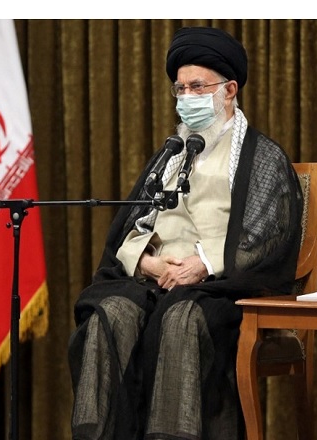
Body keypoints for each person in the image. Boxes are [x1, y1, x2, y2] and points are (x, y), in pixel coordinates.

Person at [68, 26, 303, 440]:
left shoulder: (261, 156)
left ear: (229, 90)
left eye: (197, 87)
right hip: (156, 281)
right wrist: (147, 263)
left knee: (181, 318)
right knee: (111, 313)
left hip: (219, 288)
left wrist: (203, 264)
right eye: (180, 89)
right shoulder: (172, 153)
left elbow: (267, 236)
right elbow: (131, 226)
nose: (186, 97)